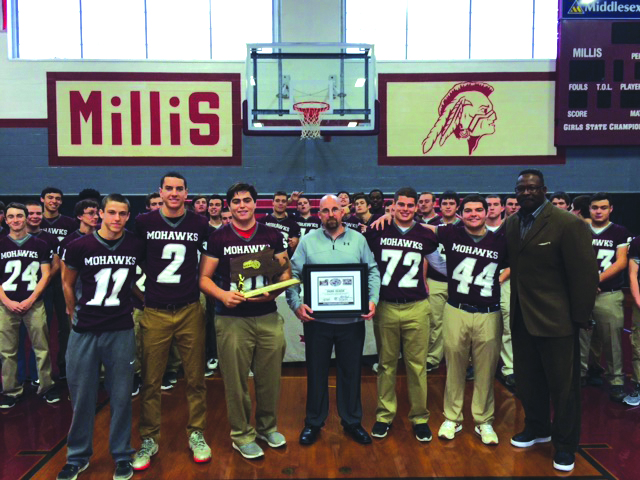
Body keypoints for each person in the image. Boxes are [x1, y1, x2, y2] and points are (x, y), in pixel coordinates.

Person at [506, 169, 598, 472]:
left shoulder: (568, 224)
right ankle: (537, 428)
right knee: (529, 383)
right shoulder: (512, 224)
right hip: (523, 318)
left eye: (532, 188)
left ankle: (565, 445)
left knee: (564, 388)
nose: (526, 193)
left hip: (558, 322)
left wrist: (580, 319)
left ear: (543, 190)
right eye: (521, 189)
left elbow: (585, 275)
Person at [200, 182, 291, 460]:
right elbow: (203, 278)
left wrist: (273, 291)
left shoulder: (273, 235)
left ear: (255, 203)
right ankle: (241, 435)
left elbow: (285, 273)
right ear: (229, 206)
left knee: (269, 378)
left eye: (247, 200)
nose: (242, 205)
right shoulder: (218, 238)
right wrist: (222, 296)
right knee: (236, 381)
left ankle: (267, 427)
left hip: (267, 315)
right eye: (236, 201)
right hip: (231, 319)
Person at [58, 194, 144, 480]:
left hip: (120, 329)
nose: (116, 219)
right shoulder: (78, 246)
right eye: (111, 213)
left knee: (121, 396)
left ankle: (122, 454)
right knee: (82, 397)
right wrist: (74, 313)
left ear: (128, 216)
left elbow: (134, 282)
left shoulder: (134, 244)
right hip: (85, 330)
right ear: (100, 214)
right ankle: (78, 456)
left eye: (122, 213)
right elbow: (67, 284)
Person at [287, 194, 380, 446]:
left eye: (335, 209)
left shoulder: (358, 240)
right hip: (318, 324)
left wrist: (372, 299)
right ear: (319, 214)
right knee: (316, 373)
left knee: (350, 373)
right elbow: (293, 275)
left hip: (351, 323)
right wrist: (296, 305)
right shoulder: (307, 241)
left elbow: (372, 271)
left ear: (343, 212)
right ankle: (313, 422)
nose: (330, 214)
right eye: (325, 210)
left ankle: (352, 421)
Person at [133, 172, 211, 471]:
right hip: (154, 309)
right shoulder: (144, 223)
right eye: (169, 189)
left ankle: (197, 434)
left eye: (179, 189)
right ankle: (149, 438)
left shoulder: (199, 223)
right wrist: (142, 297)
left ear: (186, 193)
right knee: (151, 379)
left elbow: (210, 259)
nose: (174, 193)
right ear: (160, 192)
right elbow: (131, 260)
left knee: (195, 377)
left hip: (190, 307)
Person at [431, 195, 508, 445]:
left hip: (489, 312)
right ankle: (452, 417)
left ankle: (483, 421)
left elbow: (515, 264)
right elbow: (420, 229)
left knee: (486, 369)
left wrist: (500, 277)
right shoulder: (450, 234)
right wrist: (389, 217)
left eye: (478, 210)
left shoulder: (501, 241)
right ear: (461, 214)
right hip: (456, 308)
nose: (473, 214)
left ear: (487, 212)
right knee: (454, 366)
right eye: (468, 210)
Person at [364, 187, 438, 441]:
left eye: (410, 205)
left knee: (417, 366)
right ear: (392, 206)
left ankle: (419, 418)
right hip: (385, 305)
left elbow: (440, 264)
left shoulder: (425, 235)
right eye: (401, 205)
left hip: (416, 306)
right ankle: (384, 415)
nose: (405, 209)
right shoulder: (378, 230)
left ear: (417, 207)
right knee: (386, 364)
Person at [0, 203, 59, 408]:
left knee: (41, 347)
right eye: (11, 216)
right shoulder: (0, 243)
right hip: (6, 305)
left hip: (33, 303)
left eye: (19, 216)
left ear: (26, 218)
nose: (15, 220)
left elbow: (46, 275)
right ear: (6, 220)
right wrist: (6, 301)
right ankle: (10, 391)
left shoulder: (40, 244)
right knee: (7, 350)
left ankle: (46, 386)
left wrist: (31, 299)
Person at [580, 193, 631, 402]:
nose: (598, 211)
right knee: (580, 339)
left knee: (612, 339)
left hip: (608, 293)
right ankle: (579, 377)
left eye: (603, 207)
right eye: (594, 207)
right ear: (589, 209)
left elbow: (621, 263)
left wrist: (594, 281)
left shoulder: (619, 232)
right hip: (580, 293)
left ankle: (616, 380)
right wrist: (583, 283)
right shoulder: (579, 229)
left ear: (611, 209)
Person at [40, 186, 77, 380]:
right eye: (50, 197)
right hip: (43, 282)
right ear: (42, 199)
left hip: (63, 279)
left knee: (66, 326)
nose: (54, 201)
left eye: (57, 198)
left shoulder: (69, 223)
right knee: (41, 327)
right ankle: (42, 371)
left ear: (62, 202)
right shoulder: (36, 220)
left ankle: (64, 365)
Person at [425, 191, 460, 372]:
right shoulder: (431, 226)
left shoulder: (465, 226)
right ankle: (433, 357)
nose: (447, 206)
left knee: (460, 323)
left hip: (460, 282)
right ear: (439, 205)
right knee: (435, 321)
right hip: (436, 280)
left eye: (451, 203)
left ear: (457, 206)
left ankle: (463, 360)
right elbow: (424, 254)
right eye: (444, 203)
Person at [485, 195, 514, 388]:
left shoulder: (511, 229)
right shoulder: (473, 228)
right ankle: (477, 364)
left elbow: (516, 259)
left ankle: (510, 368)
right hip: (478, 281)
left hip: (505, 279)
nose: (492, 208)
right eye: (488, 205)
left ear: (502, 208)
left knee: (507, 322)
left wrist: (500, 279)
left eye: (496, 204)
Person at [258, 191, 301, 256]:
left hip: (284, 262)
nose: (280, 203)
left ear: (287, 203)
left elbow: (293, 250)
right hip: (264, 261)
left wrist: (294, 244)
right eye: (277, 201)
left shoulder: (293, 225)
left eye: (283, 201)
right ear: (273, 202)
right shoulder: (262, 221)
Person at [624, 235, 640, 406]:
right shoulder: (637, 242)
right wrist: (638, 301)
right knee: (638, 344)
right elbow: (633, 274)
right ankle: (638, 385)